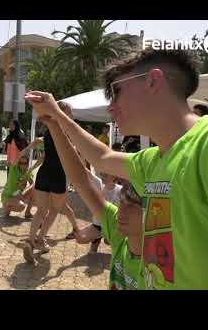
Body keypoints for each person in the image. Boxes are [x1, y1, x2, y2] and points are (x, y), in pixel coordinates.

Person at [26, 48, 208, 290]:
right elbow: (100, 159)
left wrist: (60, 120)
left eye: (116, 92)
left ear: (153, 81)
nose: (111, 107)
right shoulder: (151, 161)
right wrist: (57, 120)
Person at [40, 115, 143, 289]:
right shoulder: (117, 226)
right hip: (101, 226)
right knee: (81, 239)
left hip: (106, 227)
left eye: (132, 204)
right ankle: (95, 246)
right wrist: (55, 127)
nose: (121, 210)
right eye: (122, 203)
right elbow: (81, 178)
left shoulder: (162, 267)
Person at [23, 102, 80, 264]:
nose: (72, 115)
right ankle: (40, 238)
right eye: (69, 112)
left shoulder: (49, 128)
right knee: (55, 209)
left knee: (41, 210)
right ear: (62, 113)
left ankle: (30, 240)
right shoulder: (66, 131)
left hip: (44, 173)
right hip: (58, 174)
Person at [1, 139, 42, 217]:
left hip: (19, 195)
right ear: (18, 163)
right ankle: (7, 207)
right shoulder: (14, 169)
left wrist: (25, 191)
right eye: (21, 163)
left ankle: (28, 212)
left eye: (25, 163)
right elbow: (19, 155)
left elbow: (32, 183)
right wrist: (29, 147)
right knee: (21, 207)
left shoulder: (27, 172)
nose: (23, 165)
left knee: (35, 189)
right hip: (8, 196)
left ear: (27, 164)